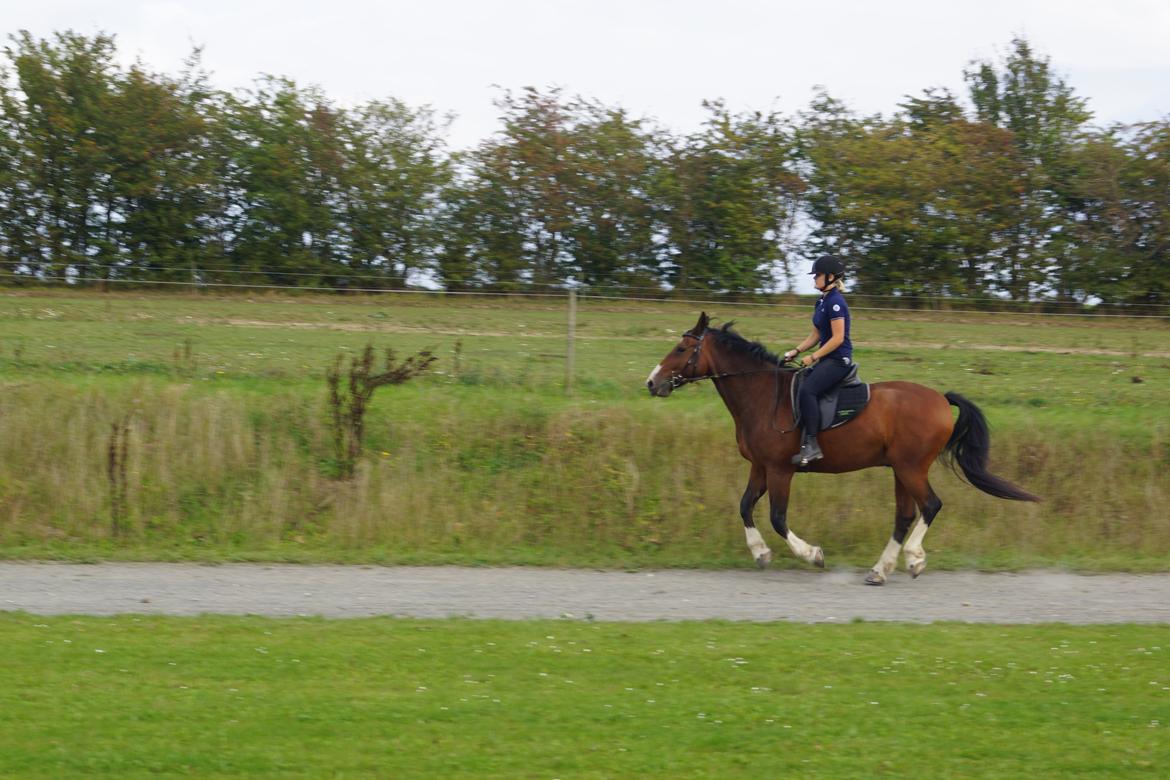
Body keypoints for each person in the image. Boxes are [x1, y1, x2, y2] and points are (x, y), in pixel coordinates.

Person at [782, 254, 853, 465]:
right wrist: (796, 351)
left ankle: (812, 445)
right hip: (826, 359)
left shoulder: (836, 303)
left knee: (808, 390)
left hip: (838, 360)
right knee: (798, 384)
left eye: (818, 275)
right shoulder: (821, 302)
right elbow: (816, 335)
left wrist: (813, 357)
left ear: (831, 277)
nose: (814, 279)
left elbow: (838, 338)